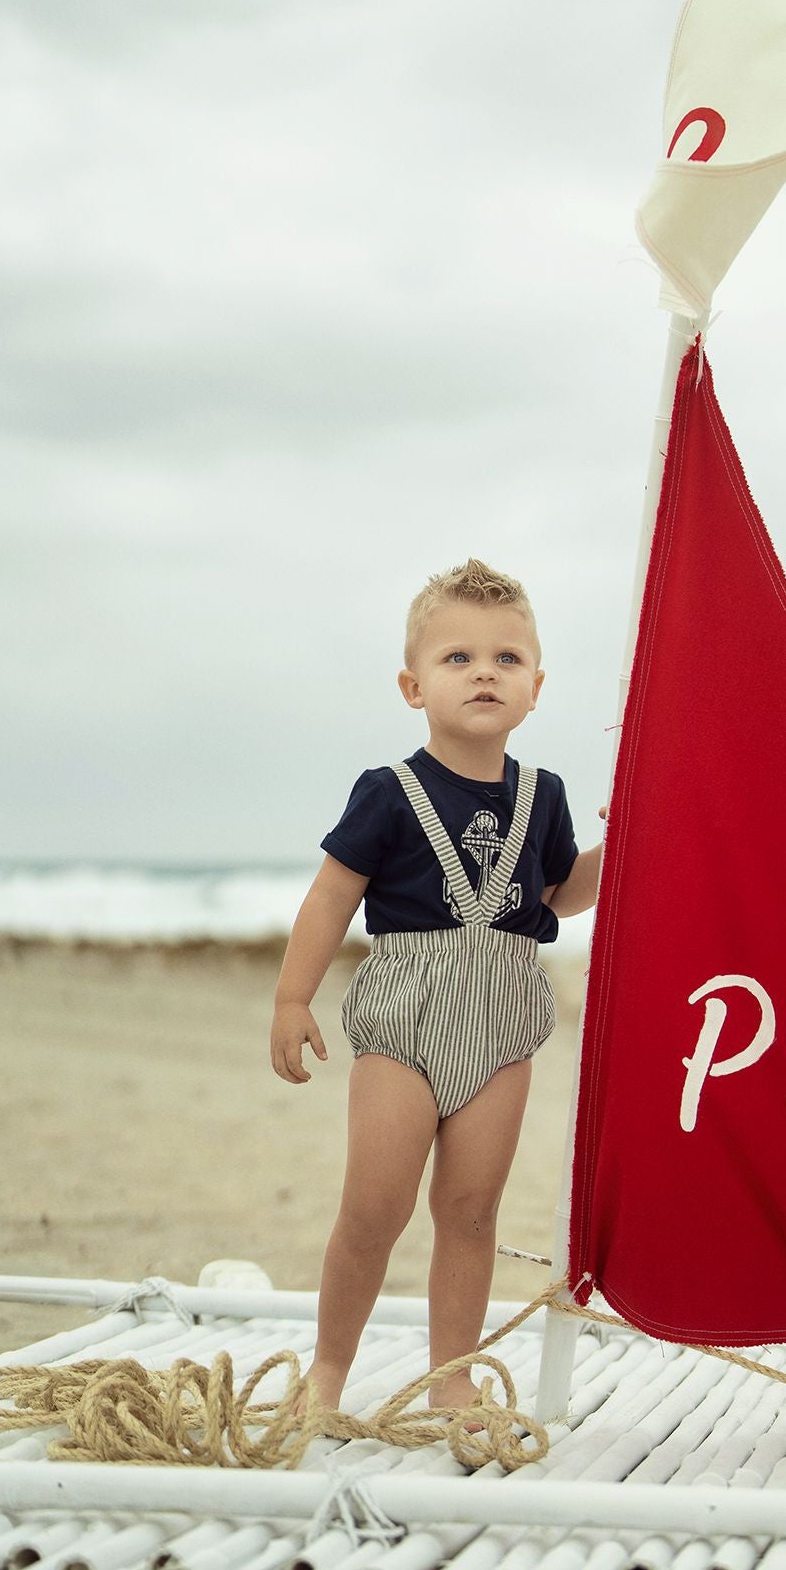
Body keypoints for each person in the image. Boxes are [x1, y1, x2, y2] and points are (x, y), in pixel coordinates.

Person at [270, 556, 604, 1416]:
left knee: (470, 1212)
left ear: (535, 686)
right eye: (457, 659)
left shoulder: (544, 794)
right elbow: (331, 895)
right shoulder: (388, 792)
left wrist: (626, 840)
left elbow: (561, 895)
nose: (483, 673)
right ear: (412, 686)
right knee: (374, 1210)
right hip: (405, 1023)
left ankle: (450, 1381)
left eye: (505, 659)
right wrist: (290, 998)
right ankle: (329, 1374)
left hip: (502, 1022)